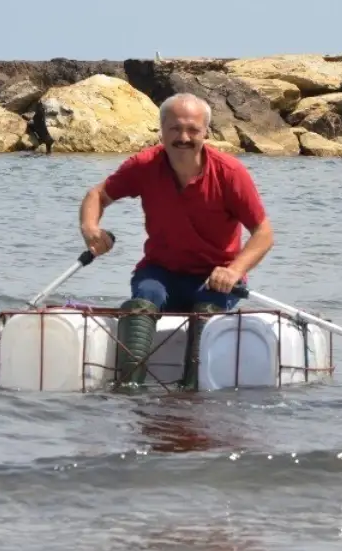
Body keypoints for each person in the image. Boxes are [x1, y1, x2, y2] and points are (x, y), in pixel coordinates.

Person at [78, 92, 274, 390]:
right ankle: (129, 392)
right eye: (175, 128)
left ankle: (192, 394)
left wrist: (233, 271)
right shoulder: (143, 165)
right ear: (162, 130)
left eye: (193, 130)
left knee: (206, 312)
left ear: (206, 132)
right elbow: (97, 195)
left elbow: (263, 233)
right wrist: (91, 228)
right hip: (161, 271)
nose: (184, 137)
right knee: (142, 299)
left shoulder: (231, 173)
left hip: (214, 278)